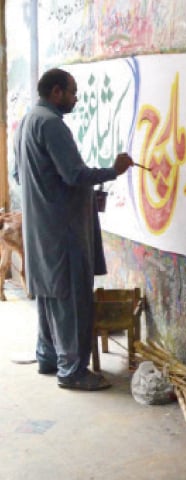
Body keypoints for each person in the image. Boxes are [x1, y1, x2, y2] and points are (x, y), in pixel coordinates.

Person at [13, 68, 133, 391]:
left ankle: (49, 357)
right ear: (56, 92)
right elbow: (74, 174)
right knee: (70, 298)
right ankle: (72, 371)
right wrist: (114, 170)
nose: (76, 98)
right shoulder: (51, 124)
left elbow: (20, 176)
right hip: (62, 231)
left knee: (49, 294)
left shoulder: (27, 121)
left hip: (41, 227)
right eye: (72, 92)